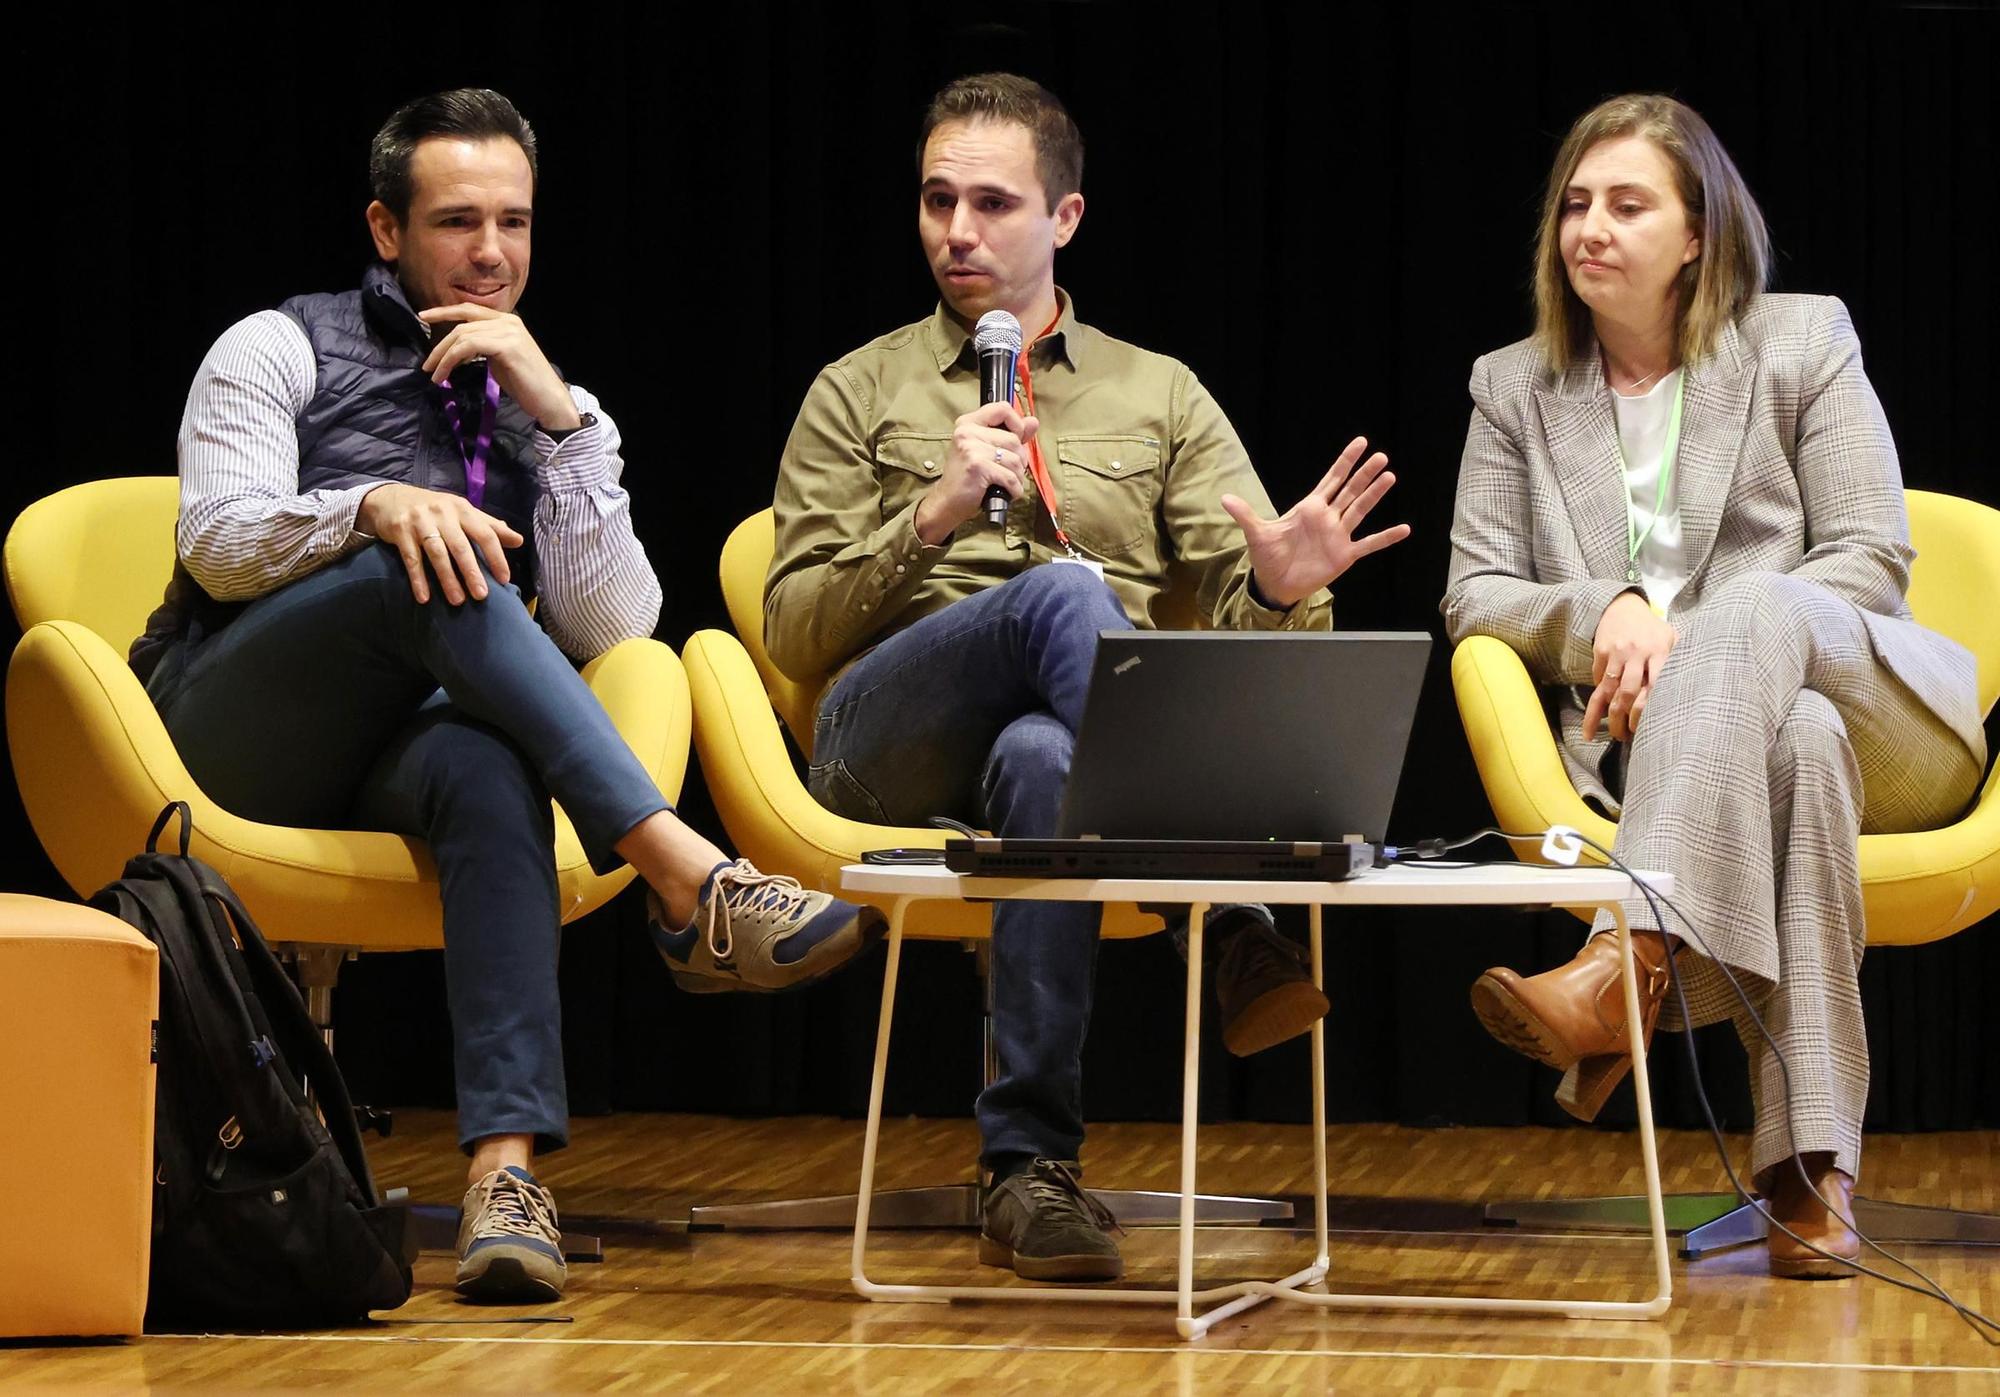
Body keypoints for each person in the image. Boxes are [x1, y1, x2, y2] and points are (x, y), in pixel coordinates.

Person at [131, 88, 883, 1304]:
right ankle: (689, 879)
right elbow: (218, 541)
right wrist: (372, 505)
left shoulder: (535, 400)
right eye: (457, 222)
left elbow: (611, 626)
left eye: (516, 224)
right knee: (424, 550)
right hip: (226, 730)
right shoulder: (273, 344)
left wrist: (561, 419)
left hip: (401, 748)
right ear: (386, 228)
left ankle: (503, 1175)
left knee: (486, 768)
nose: (492, 254)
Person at [766, 72, 1408, 1282]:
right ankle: (1224, 920)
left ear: (1063, 218)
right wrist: (933, 512)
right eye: (936, 200)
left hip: (1072, 749)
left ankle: (1025, 1171)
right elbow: (792, 630)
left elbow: (1247, 632)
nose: (956, 231)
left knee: (1043, 761)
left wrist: (1277, 584)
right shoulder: (857, 389)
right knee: (1068, 595)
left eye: (992, 203)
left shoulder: (1154, 393)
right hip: (881, 734)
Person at [1442, 94, 1986, 1279]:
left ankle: (1621, 959)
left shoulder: (1799, 339)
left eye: (1625, 204)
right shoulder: (1511, 389)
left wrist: (1688, 631)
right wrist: (1603, 613)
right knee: (1789, 746)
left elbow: (1867, 555)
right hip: (1702, 751)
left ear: (1696, 234)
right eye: (1573, 204)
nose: (1588, 226)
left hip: (1887, 712)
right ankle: (1807, 1177)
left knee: (1764, 638)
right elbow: (1474, 592)